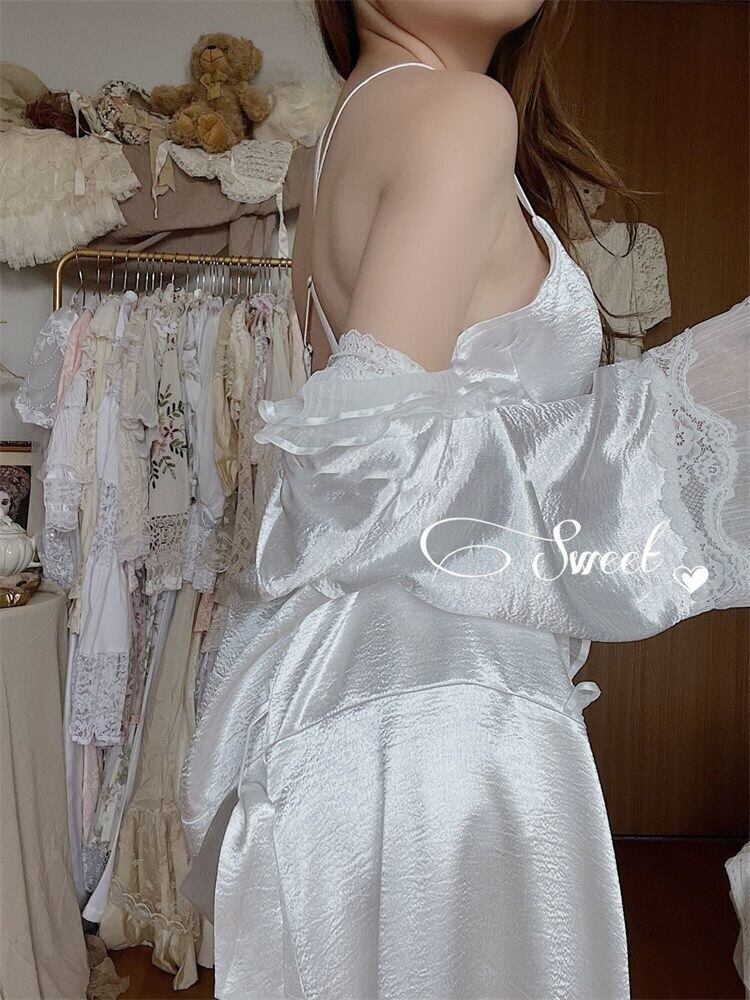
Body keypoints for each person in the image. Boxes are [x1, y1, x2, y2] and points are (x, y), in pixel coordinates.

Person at [181, 2, 749, 997]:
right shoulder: (458, 112)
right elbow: (371, 463)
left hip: (358, 704)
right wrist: (694, 397)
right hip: (445, 723)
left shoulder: (344, 133)